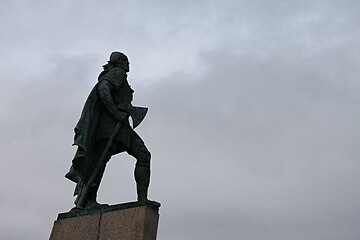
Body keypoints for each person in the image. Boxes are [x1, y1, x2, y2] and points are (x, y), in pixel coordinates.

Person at [65, 52, 158, 209]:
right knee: (99, 163)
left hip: (120, 127)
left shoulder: (117, 75)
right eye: (126, 61)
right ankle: (88, 201)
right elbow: (103, 89)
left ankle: (142, 199)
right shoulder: (118, 73)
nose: (128, 65)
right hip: (110, 127)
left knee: (141, 155)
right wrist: (115, 112)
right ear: (120, 62)